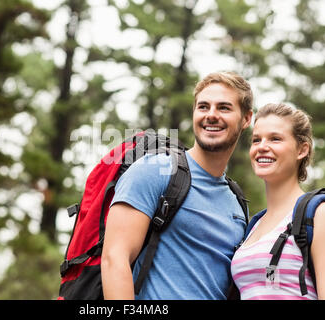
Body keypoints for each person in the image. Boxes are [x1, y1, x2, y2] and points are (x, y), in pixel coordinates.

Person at [101, 71, 253, 299]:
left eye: (224, 108)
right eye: (203, 107)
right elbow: (115, 258)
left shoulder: (237, 204)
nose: (211, 115)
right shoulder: (155, 170)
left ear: (247, 119)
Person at [231, 103, 325, 300]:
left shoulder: (320, 213)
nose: (262, 147)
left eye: (275, 139)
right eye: (256, 140)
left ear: (302, 150)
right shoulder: (253, 225)